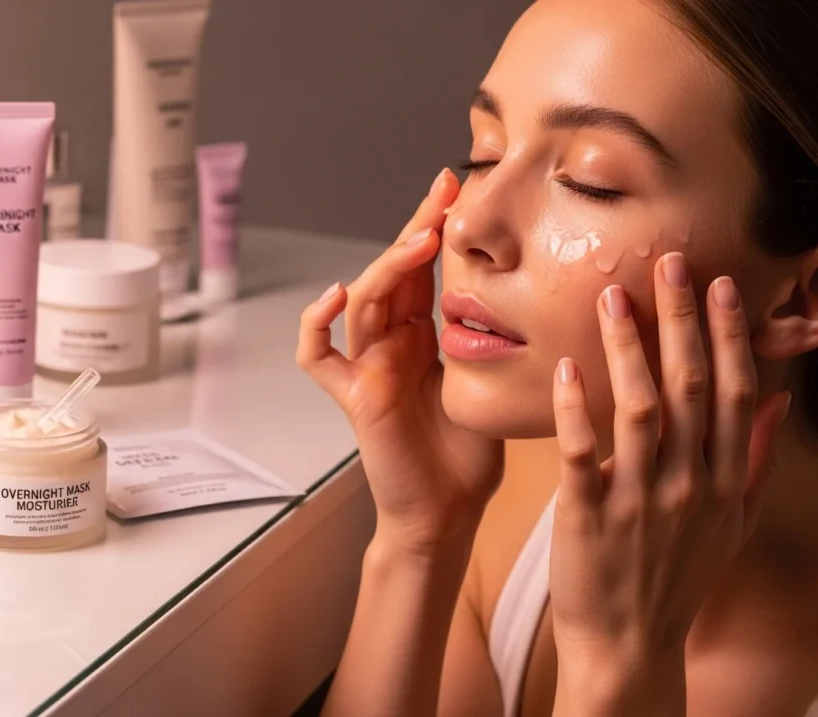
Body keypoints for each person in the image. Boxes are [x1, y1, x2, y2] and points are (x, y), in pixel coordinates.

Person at [296, 0, 818, 715]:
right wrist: (421, 537)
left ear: (799, 299)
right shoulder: (532, 491)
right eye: (483, 155)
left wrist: (619, 662)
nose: (468, 224)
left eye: (591, 183)